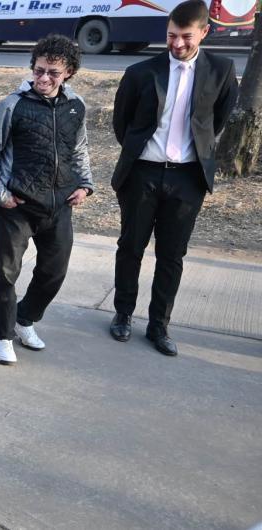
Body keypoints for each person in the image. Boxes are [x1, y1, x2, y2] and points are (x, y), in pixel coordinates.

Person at [109, 0, 238, 356]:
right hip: (143, 174)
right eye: (171, 36)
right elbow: (124, 125)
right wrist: (143, 157)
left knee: (172, 255)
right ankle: (122, 314)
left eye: (186, 37)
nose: (177, 44)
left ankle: (159, 325)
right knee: (130, 247)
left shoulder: (222, 70)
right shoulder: (140, 72)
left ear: (204, 32)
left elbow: (218, 122)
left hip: (187, 180)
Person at [0, 35, 94, 366]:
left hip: (59, 206)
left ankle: (25, 319)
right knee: (6, 275)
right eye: (39, 70)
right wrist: (0, 195)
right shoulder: (12, 105)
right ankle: (2, 335)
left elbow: (80, 148)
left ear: (68, 72)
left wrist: (84, 185)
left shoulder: (76, 106)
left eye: (52, 73)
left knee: (53, 273)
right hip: (16, 207)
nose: (43, 79)